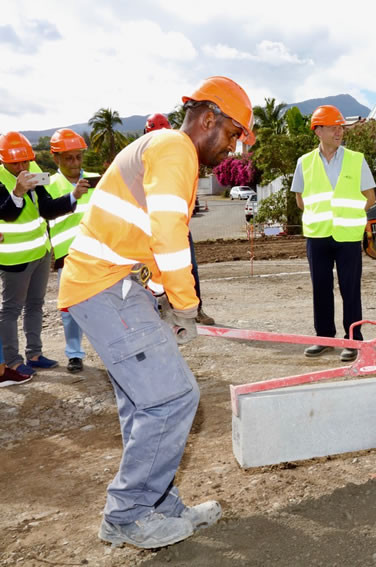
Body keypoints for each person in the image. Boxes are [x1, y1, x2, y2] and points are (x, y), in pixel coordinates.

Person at [58, 76, 255, 548]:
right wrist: (187, 306)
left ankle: (157, 504)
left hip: (112, 285)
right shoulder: (175, 150)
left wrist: (164, 299)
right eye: (231, 135)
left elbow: (151, 242)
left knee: (146, 401)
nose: (231, 149)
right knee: (173, 398)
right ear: (209, 119)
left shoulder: (166, 148)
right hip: (105, 287)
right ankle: (126, 514)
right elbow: (169, 236)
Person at [293, 105, 376, 363]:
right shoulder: (304, 163)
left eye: (341, 127)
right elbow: (300, 200)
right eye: (333, 127)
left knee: (350, 289)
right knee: (321, 288)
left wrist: (347, 215)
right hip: (318, 236)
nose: (339, 132)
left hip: (348, 237)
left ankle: (353, 341)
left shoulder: (356, 159)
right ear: (318, 131)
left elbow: (370, 198)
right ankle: (325, 338)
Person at [0, 132, 85, 377]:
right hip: (14, 258)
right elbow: (6, 214)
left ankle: (34, 354)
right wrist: (17, 193)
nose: (22, 167)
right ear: (4, 160)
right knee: (10, 310)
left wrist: (72, 197)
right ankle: (14, 362)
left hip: (40, 253)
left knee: (35, 305)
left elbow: (46, 208)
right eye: (15, 163)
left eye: (25, 161)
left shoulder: (34, 170)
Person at [144, 113, 216, 327]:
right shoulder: (143, 156)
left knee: (187, 265)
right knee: (149, 271)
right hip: (148, 226)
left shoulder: (176, 154)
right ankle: (156, 311)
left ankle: (196, 309)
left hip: (174, 224)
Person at [46, 129, 99, 373]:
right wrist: (73, 195)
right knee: (69, 309)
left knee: (103, 304)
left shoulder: (95, 180)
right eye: (68, 158)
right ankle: (74, 354)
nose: (75, 163)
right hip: (67, 257)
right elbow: (48, 212)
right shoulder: (48, 185)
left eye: (78, 157)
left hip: (97, 255)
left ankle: (108, 349)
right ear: (55, 158)